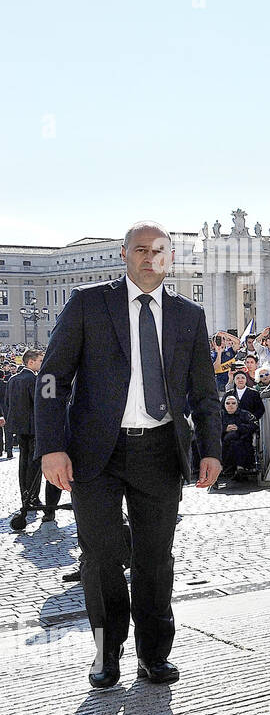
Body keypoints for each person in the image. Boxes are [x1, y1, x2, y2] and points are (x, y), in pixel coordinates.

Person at [36, 221, 222, 689]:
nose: (148, 258)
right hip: (95, 452)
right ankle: (107, 649)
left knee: (155, 557)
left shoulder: (188, 316)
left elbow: (205, 392)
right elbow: (52, 379)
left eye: (158, 251)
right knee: (99, 556)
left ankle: (154, 654)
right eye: (139, 249)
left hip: (160, 449)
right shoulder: (88, 304)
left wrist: (212, 450)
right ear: (124, 254)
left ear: (170, 258)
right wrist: (51, 448)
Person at [4, 350, 62, 521]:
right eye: (40, 360)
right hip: (34, 428)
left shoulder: (13, 379)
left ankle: (25, 494)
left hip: (19, 428)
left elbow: (8, 403)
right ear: (30, 362)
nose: (42, 363)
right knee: (34, 464)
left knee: (23, 463)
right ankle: (32, 497)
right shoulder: (35, 380)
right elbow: (40, 406)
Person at [218, 394, 258, 477]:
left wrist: (239, 428)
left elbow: (255, 425)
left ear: (237, 404)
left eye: (233, 403)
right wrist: (225, 429)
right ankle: (227, 467)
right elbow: (212, 428)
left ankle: (240, 467)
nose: (230, 405)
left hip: (243, 441)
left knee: (237, 443)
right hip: (223, 443)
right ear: (224, 404)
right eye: (228, 403)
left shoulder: (245, 414)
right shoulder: (219, 416)